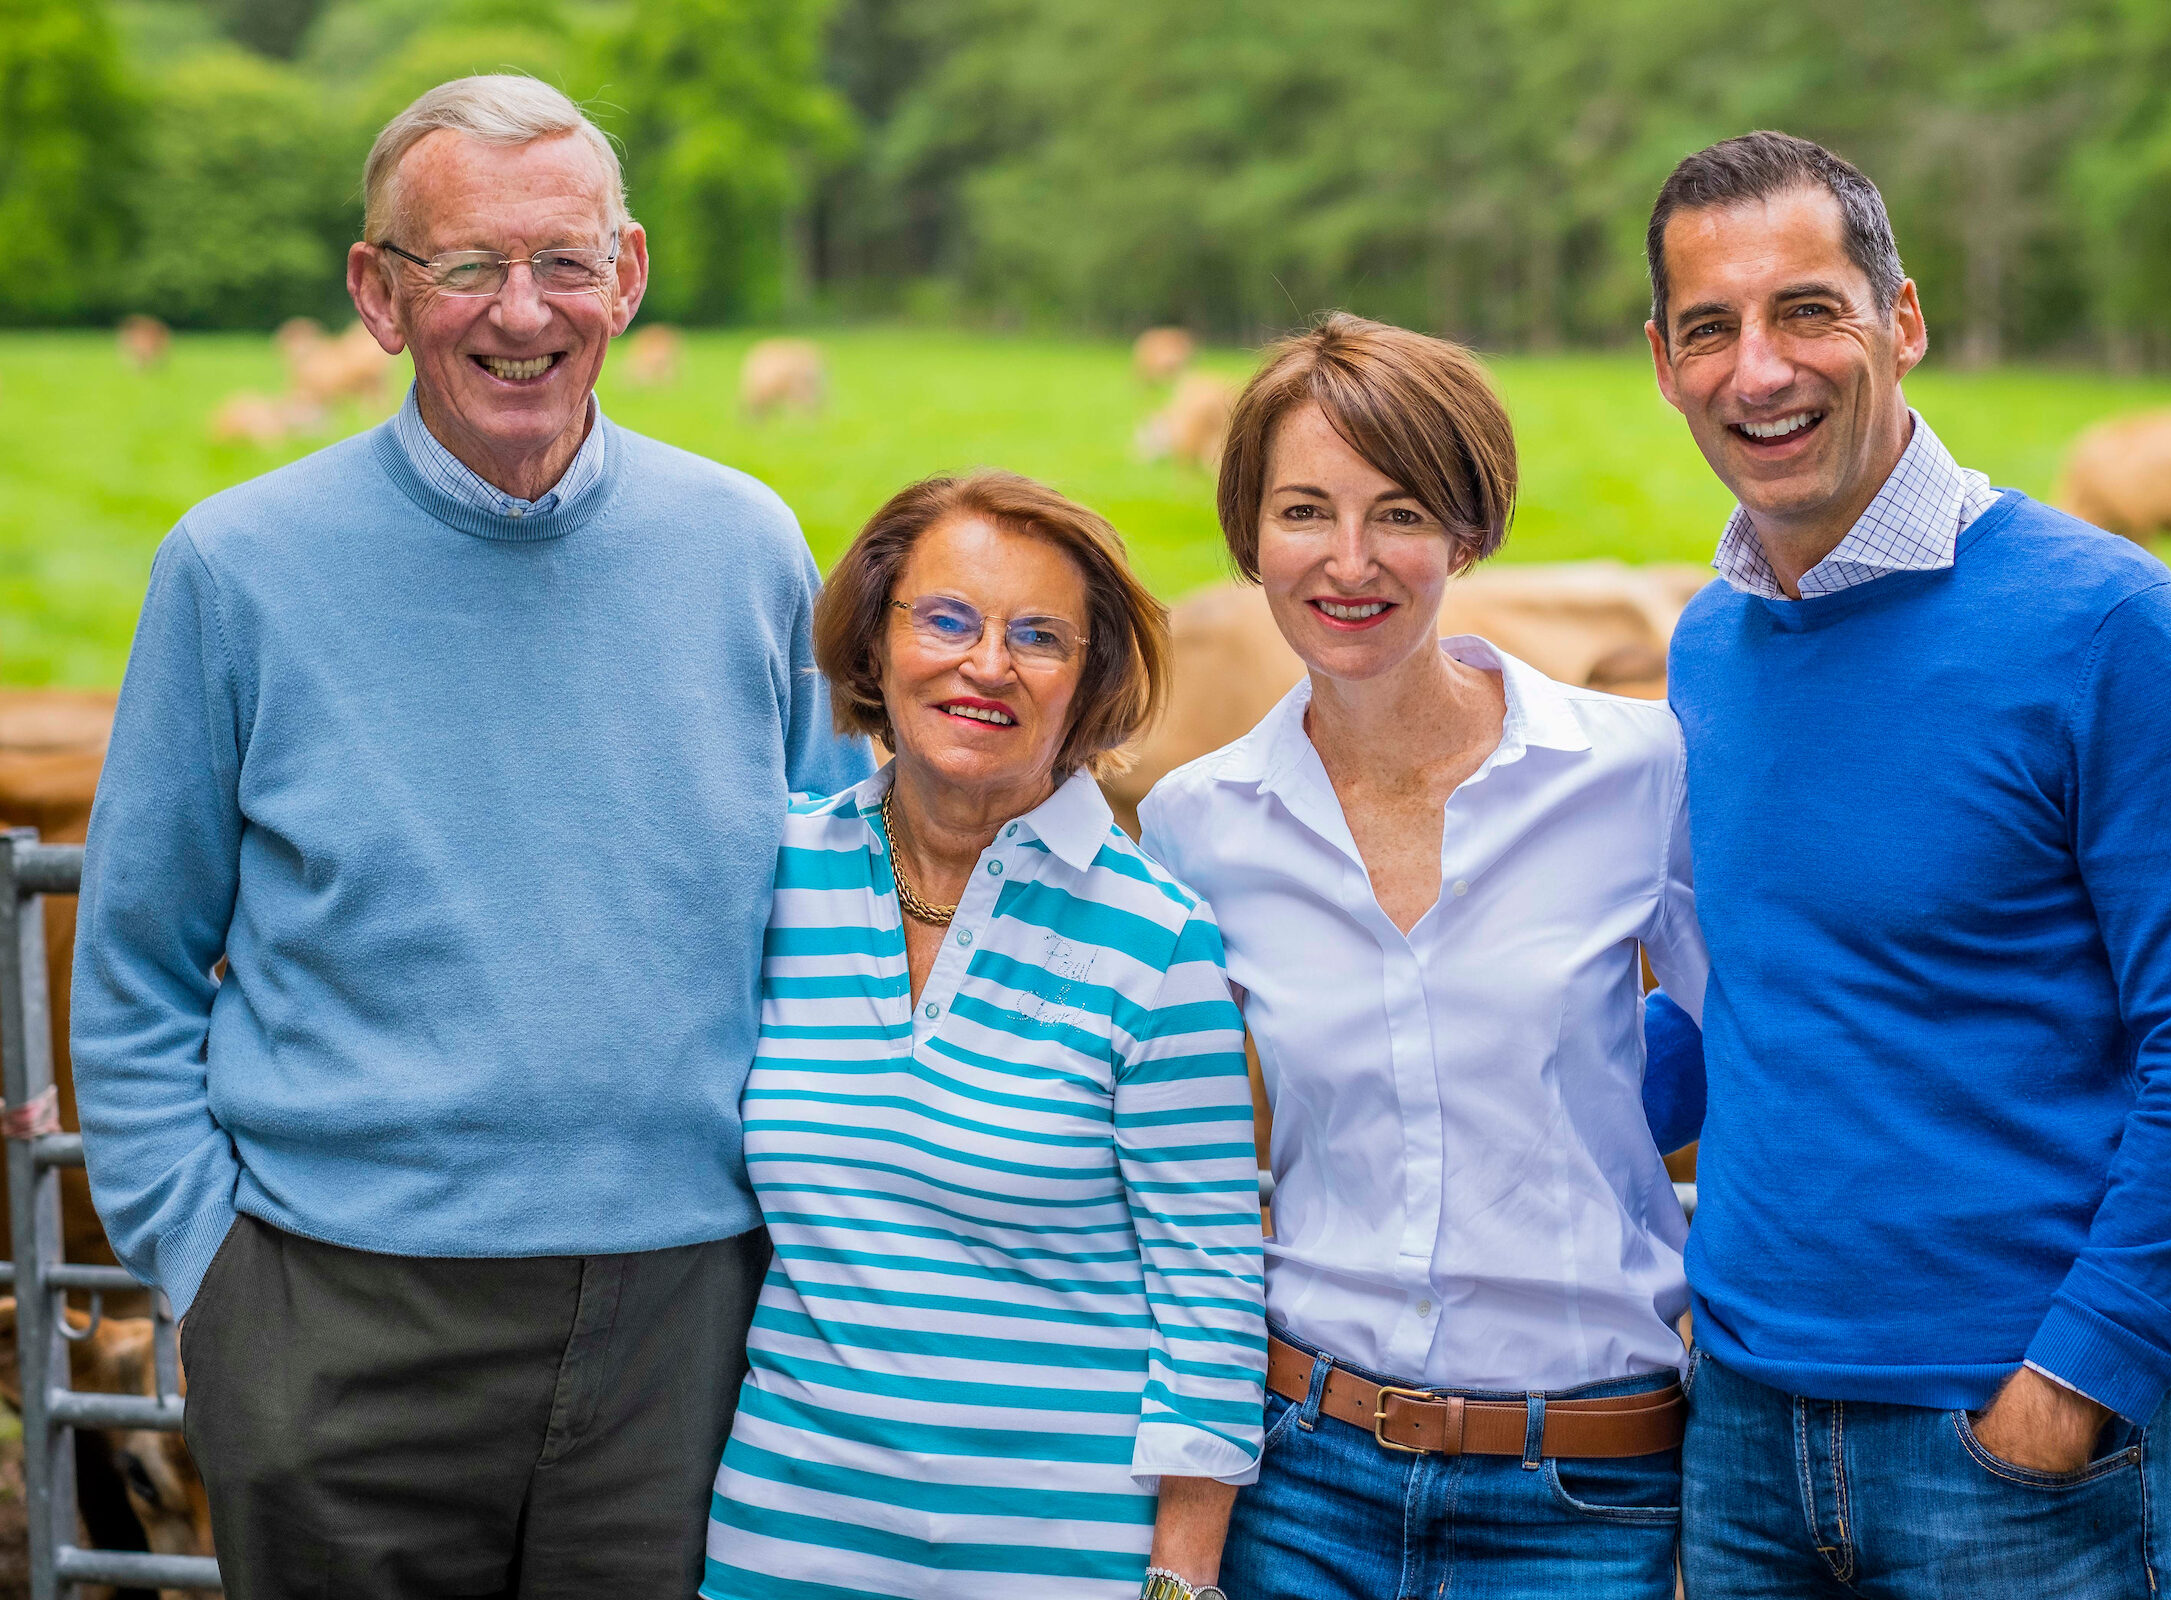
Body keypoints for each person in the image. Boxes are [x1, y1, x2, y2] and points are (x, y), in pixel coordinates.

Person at [71, 75, 872, 1598]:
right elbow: (136, 966)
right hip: (335, 1315)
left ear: (625, 277)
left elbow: (830, 916)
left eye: (565, 262)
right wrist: (214, 1277)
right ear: (378, 294)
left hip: (684, 1318)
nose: (525, 311)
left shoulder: (750, 549)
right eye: (467, 267)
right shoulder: (236, 573)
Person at [1644, 131, 2171, 1599]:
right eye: (1710, 329)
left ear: (1905, 320)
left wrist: (2078, 1382)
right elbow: (1744, 1002)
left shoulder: (2109, 625)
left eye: (1809, 310)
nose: (1760, 369)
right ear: (1664, 359)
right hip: (1739, 1426)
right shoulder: (1712, 647)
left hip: (2007, 1445)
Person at [1140, 313, 1710, 1600]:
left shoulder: (1632, 770)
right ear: (1248, 537)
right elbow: (1174, 1153)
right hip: (1302, 1473)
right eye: (1302, 512)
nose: (1348, 561)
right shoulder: (1196, 822)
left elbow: (1773, 1050)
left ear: (1467, 530)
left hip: (1583, 1484)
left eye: (1398, 511)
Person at [702, 470, 1265, 1600]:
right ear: (871, 647)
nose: (986, 664)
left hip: (1060, 1565)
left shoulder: (1155, 942)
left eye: (1040, 636)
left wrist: (1177, 1583)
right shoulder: (771, 878)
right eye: (945, 619)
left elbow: (1211, 1294)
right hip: (783, 1549)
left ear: (1090, 682)